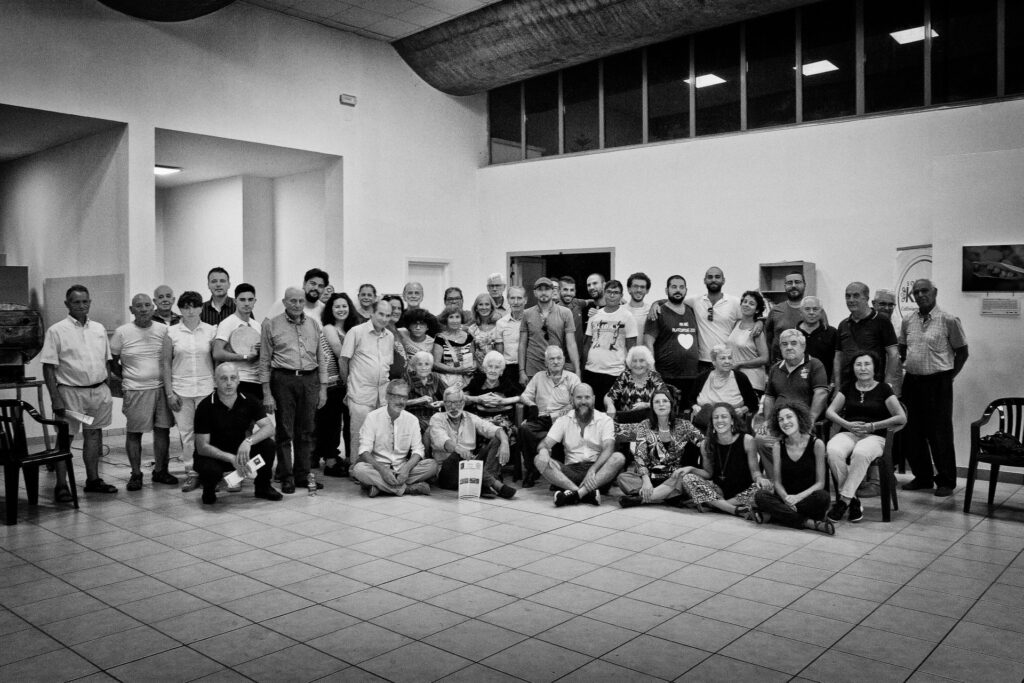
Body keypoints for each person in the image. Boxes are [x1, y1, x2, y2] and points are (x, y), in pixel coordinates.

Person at [40, 284, 117, 497]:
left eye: (85, 301)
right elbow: (48, 367)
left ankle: (93, 479)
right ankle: (62, 485)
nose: (81, 305)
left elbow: (106, 360)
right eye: (76, 302)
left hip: (98, 392)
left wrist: (106, 389)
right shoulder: (56, 331)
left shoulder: (99, 329)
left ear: (90, 302)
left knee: (94, 435)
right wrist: (55, 398)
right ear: (67, 304)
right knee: (66, 438)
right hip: (70, 393)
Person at [899, 279, 968, 497]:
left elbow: (962, 353)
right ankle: (923, 477)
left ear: (934, 292)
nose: (920, 295)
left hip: (938, 383)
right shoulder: (908, 320)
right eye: (916, 292)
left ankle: (946, 480)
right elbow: (902, 349)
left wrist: (949, 377)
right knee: (912, 431)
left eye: (924, 291)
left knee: (940, 433)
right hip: (912, 381)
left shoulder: (948, 320)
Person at [258, 286, 327, 494]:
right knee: (285, 431)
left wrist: (323, 388)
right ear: (285, 302)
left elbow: (321, 357)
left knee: (306, 431)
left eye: (300, 301)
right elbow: (264, 360)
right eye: (293, 301)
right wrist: (267, 393)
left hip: (309, 380)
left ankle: (302, 475)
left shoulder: (314, 324)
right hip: (283, 380)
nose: (297, 305)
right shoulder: (271, 325)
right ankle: (286, 476)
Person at [825, 351, 907, 522]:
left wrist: (872, 426)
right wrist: (847, 424)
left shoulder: (884, 388)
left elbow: (901, 417)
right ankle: (853, 500)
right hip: (850, 432)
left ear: (874, 367)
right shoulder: (848, 387)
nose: (863, 368)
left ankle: (844, 500)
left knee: (861, 452)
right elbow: (830, 412)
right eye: (858, 364)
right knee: (833, 449)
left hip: (876, 436)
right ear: (853, 368)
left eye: (867, 364)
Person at [110, 293, 175, 491]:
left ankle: (161, 471)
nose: (144, 309)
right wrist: (129, 377)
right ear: (132, 310)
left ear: (153, 308)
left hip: (162, 389)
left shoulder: (165, 330)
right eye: (139, 306)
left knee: (163, 431)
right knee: (134, 432)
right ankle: (136, 474)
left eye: (147, 305)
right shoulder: (122, 332)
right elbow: (112, 362)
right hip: (136, 390)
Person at [193, 363, 281, 504]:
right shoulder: (205, 406)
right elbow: (202, 447)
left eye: (233, 378)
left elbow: (269, 428)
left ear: (239, 380)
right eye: (223, 379)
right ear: (215, 381)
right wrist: (230, 458)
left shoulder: (249, 400)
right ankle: (208, 490)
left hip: (240, 452)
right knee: (210, 469)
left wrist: (248, 442)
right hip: (215, 456)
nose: (229, 383)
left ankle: (263, 486)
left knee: (268, 445)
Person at [675, 403, 773, 515]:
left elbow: (755, 472)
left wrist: (760, 478)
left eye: (724, 417)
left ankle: (718, 505)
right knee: (688, 478)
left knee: (767, 488)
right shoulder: (706, 444)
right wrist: (690, 468)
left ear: (732, 421)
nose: (719, 420)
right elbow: (708, 473)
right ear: (712, 422)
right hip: (718, 491)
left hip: (742, 492)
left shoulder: (747, 440)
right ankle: (733, 509)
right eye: (716, 417)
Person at [162, 290, 216, 493]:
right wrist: (169, 393)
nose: (190, 310)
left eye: (194, 306)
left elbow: (216, 360)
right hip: (181, 390)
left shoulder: (211, 331)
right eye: (186, 306)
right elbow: (166, 364)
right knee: (187, 434)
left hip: (206, 389)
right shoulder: (171, 332)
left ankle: (210, 473)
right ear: (180, 309)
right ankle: (191, 473)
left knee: (208, 434)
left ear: (201, 308)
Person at [751, 401, 833, 534]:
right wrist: (786, 499)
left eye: (789, 417)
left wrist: (798, 498)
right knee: (760, 496)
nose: (785, 422)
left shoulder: (817, 444)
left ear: (799, 418)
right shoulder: (778, 445)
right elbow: (777, 482)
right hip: (786, 496)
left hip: (807, 498)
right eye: (781, 419)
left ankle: (775, 515)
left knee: (823, 497)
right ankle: (809, 523)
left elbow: (820, 483)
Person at [536, 384, 624, 507]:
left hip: (598, 473)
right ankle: (581, 492)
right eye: (579, 397)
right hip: (570, 471)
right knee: (539, 459)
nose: (583, 401)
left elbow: (608, 448)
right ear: (572, 399)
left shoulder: (605, 420)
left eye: (587, 397)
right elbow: (544, 443)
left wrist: (593, 470)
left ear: (593, 399)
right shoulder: (564, 420)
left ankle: (574, 494)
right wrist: (544, 450)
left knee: (618, 457)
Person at [350, 379, 439, 496]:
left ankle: (379, 487)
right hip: (378, 468)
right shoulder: (372, 417)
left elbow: (418, 450)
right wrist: (382, 470)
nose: (401, 401)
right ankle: (407, 489)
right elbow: (364, 451)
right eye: (397, 396)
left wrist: (406, 469)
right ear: (387, 396)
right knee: (359, 469)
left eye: (404, 397)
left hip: (402, 468)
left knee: (432, 466)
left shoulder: (412, 420)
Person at [616, 388, 703, 507]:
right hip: (651, 476)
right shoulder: (644, 425)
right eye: (657, 402)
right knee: (623, 478)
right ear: (652, 406)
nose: (661, 404)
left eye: (665, 401)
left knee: (685, 478)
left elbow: (703, 442)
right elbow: (640, 456)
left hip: (675, 476)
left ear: (671, 404)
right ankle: (666, 495)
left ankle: (641, 498)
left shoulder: (684, 425)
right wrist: (646, 481)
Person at [429, 386, 516, 499]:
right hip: (447, 473)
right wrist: (459, 449)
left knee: (498, 438)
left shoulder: (470, 417)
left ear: (463, 403)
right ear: (444, 404)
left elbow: (493, 429)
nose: (453, 407)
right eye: (449, 403)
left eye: (457, 402)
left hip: (470, 465)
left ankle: (485, 485)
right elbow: (443, 440)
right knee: (458, 453)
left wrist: (505, 442)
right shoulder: (437, 418)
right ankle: (496, 485)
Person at [518, 346, 581, 487]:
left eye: (559, 358)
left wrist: (556, 415)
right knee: (524, 429)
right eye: (551, 359)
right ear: (546, 362)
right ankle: (533, 469)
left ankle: (557, 471)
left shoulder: (572, 378)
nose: (556, 361)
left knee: (559, 431)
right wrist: (532, 405)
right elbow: (524, 396)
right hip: (541, 418)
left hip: (563, 420)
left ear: (564, 360)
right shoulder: (538, 377)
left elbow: (577, 402)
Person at [340, 299, 395, 444]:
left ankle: (376, 466)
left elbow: (386, 366)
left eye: (388, 315)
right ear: (371, 313)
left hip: (382, 396)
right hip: (360, 394)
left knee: (380, 436)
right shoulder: (356, 332)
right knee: (360, 435)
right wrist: (349, 385)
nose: (384, 319)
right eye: (381, 314)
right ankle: (356, 466)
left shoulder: (390, 336)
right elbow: (344, 361)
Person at [316, 292, 358, 477]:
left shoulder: (353, 329)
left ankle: (351, 459)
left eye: (344, 306)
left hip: (351, 382)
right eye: (337, 306)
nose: (341, 309)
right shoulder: (328, 328)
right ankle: (331, 461)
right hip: (334, 383)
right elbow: (341, 353)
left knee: (351, 423)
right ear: (330, 310)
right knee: (331, 424)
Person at [644, 275, 700, 405]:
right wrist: (653, 372)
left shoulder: (691, 311)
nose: (678, 290)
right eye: (673, 287)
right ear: (666, 290)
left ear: (686, 290)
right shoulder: (657, 312)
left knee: (687, 416)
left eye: (681, 287)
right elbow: (648, 343)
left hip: (691, 376)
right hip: (666, 376)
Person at [582, 279, 638, 407]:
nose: (612, 295)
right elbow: (586, 345)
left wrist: (630, 374)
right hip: (591, 371)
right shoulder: (595, 315)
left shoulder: (627, 316)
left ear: (621, 296)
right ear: (604, 293)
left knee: (611, 412)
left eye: (616, 292)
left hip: (615, 372)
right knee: (591, 411)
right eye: (609, 292)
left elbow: (632, 348)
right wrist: (583, 368)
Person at [834, 282, 900, 387]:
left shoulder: (882, 321)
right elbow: (838, 357)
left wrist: (887, 384)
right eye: (848, 296)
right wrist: (837, 386)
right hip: (847, 387)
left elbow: (894, 355)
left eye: (856, 296)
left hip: (874, 386)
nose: (851, 300)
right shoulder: (843, 324)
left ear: (866, 298)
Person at [520, 277, 580, 381]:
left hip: (556, 367)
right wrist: (521, 371)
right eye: (540, 289)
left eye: (547, 289)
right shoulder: (527, 313)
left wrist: (577, 369)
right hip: (533, 368)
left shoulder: (565, 313)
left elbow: (571, 344)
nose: (543, 292)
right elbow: (522, 344)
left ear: (553, 291)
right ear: (535, 293)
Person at [212, 283, 263, 398]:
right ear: (235, 301)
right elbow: (217, 353)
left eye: (250, 299)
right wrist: (244, 356)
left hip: (256, 381)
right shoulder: (227, 323)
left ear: (255, 301)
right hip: (237, 381)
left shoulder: (257, 325)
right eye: (242, 299)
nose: (246, 303)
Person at [688, 267, 742, 372]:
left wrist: (759, 323)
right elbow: (675, 299)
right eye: (710, 277)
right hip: (703, 362)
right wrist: (656, 304)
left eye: (717, 277)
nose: (713, 280)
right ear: (704, 280)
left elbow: (750, 320)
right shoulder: (696, 300)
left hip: (726, 360)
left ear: (723, 280)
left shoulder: (734, 302)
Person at [691, 344, 759, 427]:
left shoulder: (740, 378)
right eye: (723, 358)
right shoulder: (702, 377)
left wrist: (742, 410)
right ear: (714, 361)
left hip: (732, 424)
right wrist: (694, 406)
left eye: (729, 358)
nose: (727, 361)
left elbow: (753, 403)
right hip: (704, 425)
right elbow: (691, 399)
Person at [764, 271, 826, 362]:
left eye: (797, 282)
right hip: (780, 365)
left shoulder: (817, 311)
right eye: (789, 283)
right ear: (785, 286)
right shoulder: (775, 311)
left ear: (804, 285)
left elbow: (826, 336)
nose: (793, 285)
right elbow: (768, 338)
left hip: (810, 366)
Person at [603, 345, 665, 423]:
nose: (638, 365)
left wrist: (647, 405)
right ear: (630, 362)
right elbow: (609, 397)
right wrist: (610, 406)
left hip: (650, 421)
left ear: (648, 362)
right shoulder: (625, 376)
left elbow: (666, 399)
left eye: (641, 361)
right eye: (634, 361)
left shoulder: (654, 376)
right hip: (627, 421)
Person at [727, 290, 769, 395]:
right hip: (735, 378)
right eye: (745, 301)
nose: (746, 305)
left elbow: (764, 358)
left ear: (757, 310)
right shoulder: (736, 323)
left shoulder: (757, 330)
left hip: (752, 381)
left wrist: (741, 364)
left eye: (751, 303)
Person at [796, 296, 838, 384]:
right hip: (797, 386)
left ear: (821, 312)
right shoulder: (793, 333)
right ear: (800, 312)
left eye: (815, 309)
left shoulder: (832, 333)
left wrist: (833, 383)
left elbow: (837, 360)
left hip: (825, 385)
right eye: (807, 309)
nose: (811, 312)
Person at [433, 304, 476, 388]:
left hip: (468, 380)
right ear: (446, 319)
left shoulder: (469, 336)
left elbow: (473, 359)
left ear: (461, 319)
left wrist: (473, 367)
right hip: (448, 382)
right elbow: (436, 363)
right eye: (451, 317)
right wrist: (455, 370)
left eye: (457, 317)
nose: (455, 320)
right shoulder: (440, 338)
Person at [403, 350, 446, 432]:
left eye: (427, 364)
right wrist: (419, 400)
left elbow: (451, 396)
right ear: (414, 366)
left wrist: (441, 403)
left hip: (433, 416)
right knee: (429, 428)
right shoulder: (407, 378)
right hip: (413, 416)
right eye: (419, 364)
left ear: (431, 366)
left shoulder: (435, 377)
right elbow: (398, 402)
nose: (423, 368)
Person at [493, 285, 526, 384]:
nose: (515, 302)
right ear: (508, 300)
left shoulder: (531, 320)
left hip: (527, 368)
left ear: (525, 300)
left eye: (519, 298)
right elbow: (500, 353)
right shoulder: (501, 323)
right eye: (512, 298)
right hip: (508, 369)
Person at [468, 293, 498, 368]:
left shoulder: (499, 326)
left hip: (497, 368)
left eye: (487, 304)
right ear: (476, 308)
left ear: (491, 307)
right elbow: (471, 355)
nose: (484, 307)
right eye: (480, 304)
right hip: (479, 369)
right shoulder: (472, 329)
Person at [559, 275, 587, 354]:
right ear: (559, 290)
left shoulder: (577, 303)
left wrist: (614, 300)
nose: (569, 293)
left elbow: (591, 301)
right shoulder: (555, 310)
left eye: (571, 290)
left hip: (580, 356)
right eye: (565, 289)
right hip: (564, 358)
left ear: (575, 292)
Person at [625, 272, 652, 340]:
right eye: (635, 286)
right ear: (629, 289)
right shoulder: (621, 310)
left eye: (642, 287)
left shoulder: (652, 311)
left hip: (646, 350)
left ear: (647, 290)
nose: (639, 290)